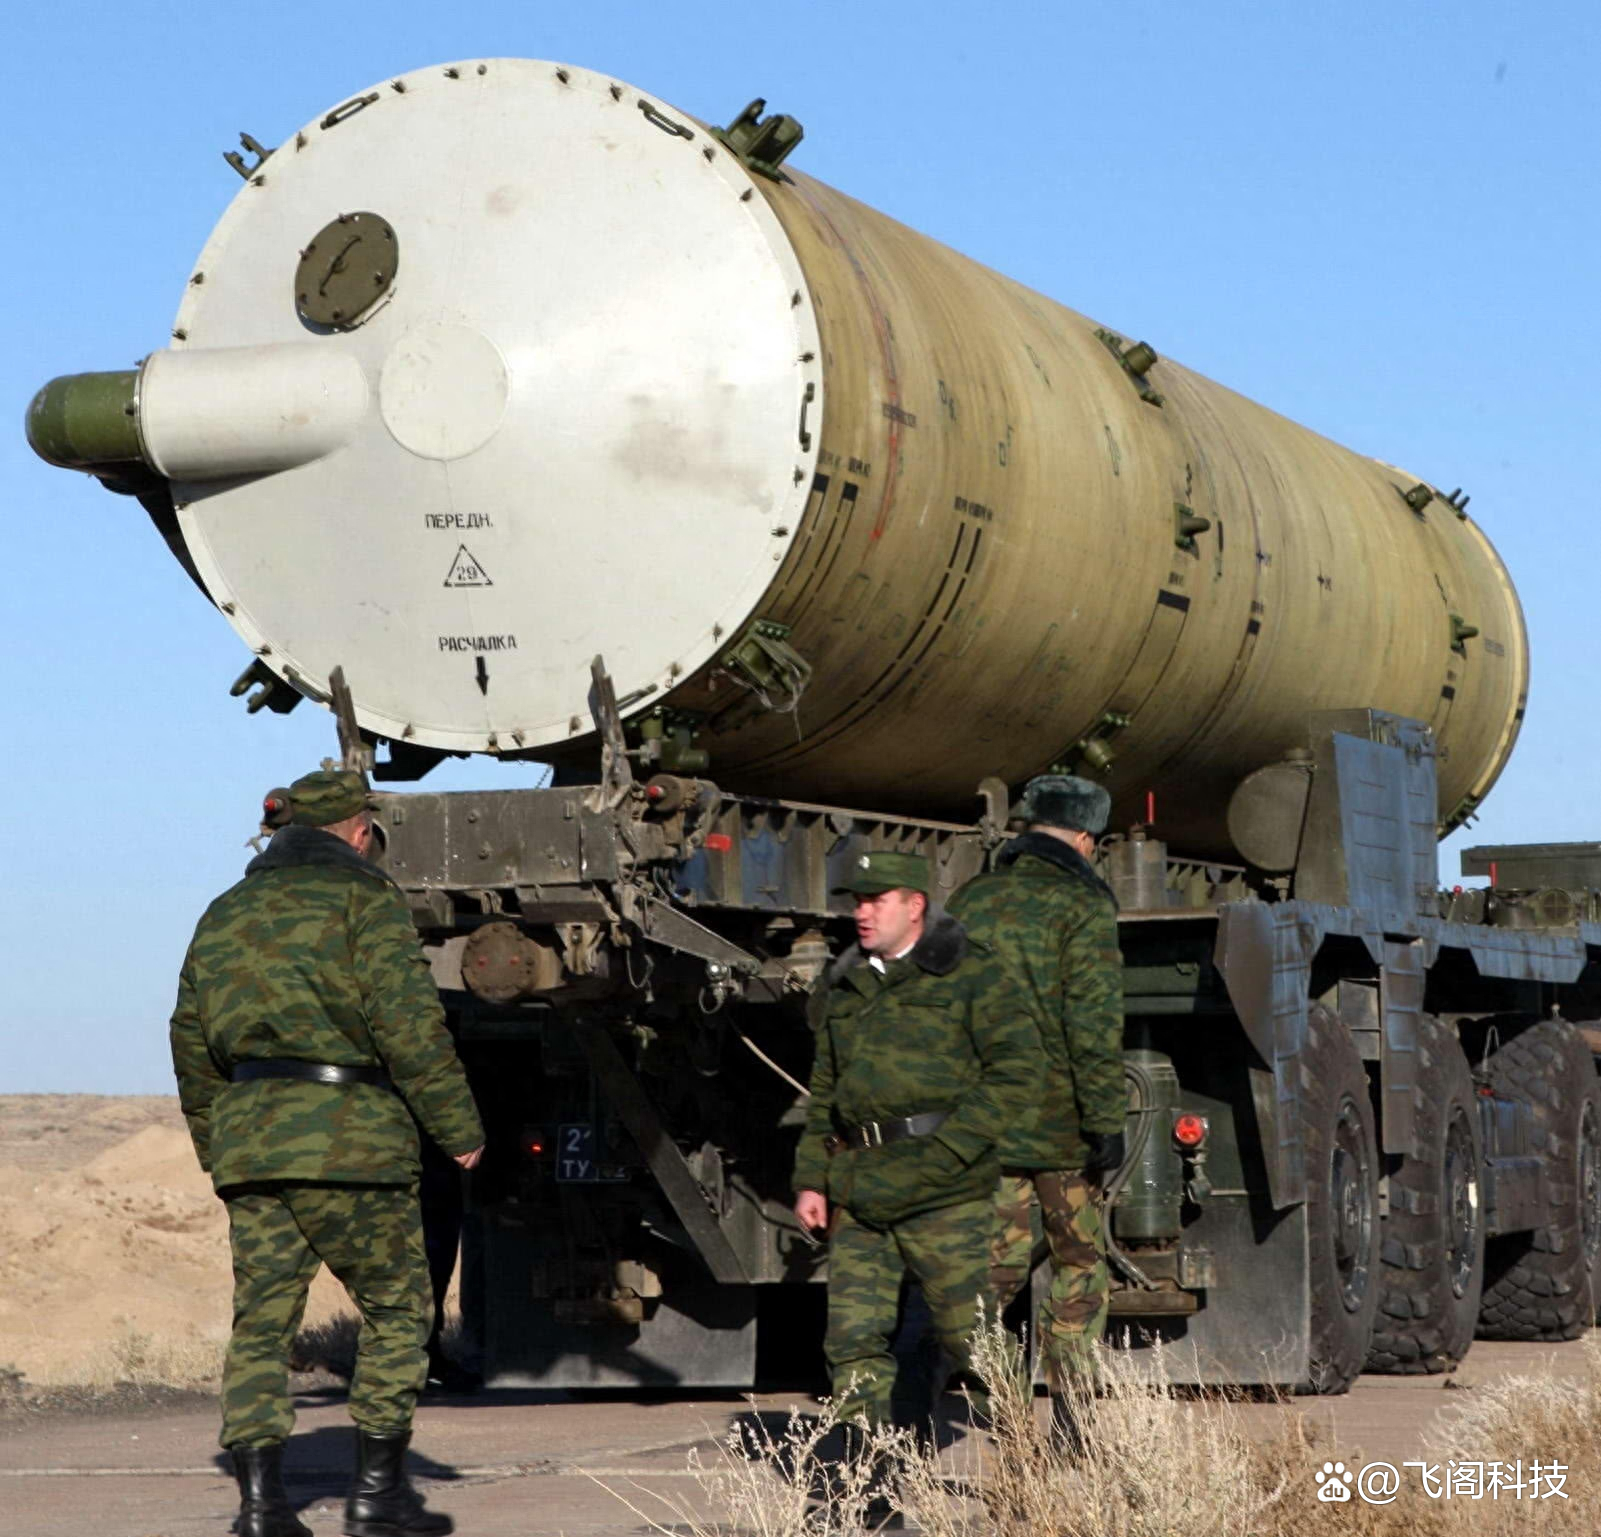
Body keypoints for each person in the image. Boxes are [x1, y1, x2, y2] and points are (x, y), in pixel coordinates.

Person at [170, 769, 485, 1537]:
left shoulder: (225, 911)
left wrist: (220, 1143)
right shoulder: (365, 900)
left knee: (262, 1323)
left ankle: (259, 1506)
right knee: (397, 1306)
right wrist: (459, 1129)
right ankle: (375, 1496)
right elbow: (409, 1024)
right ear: (354, 829)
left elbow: (188, 1037)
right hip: (353, 1144)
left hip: (253, 1145)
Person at [791, 851, 1041, 1435]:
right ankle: (867, 1486)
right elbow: (825, 1090)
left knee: (967, 1337)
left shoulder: (973, 974)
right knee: (853, 1341)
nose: (862, 912)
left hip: (943, 1191)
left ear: (915, 905)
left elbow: (1017, 1071)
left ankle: (1028, 1453)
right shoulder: (845, 984)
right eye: (857, 901)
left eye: (877, 900)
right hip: (860, 1187)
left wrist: (952, 1151)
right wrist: (811, 1179)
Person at [947, 774, 1126, 1453]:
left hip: (985, 1127)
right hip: (1060, 1132)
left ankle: (1010, 1426)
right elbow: (1092, 1022)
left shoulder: (970, 899)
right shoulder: (1081, 904)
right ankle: (1076, 1426)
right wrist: (1103, 1119)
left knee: (989, 1283)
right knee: (1079, 1266)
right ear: (1084, 837)